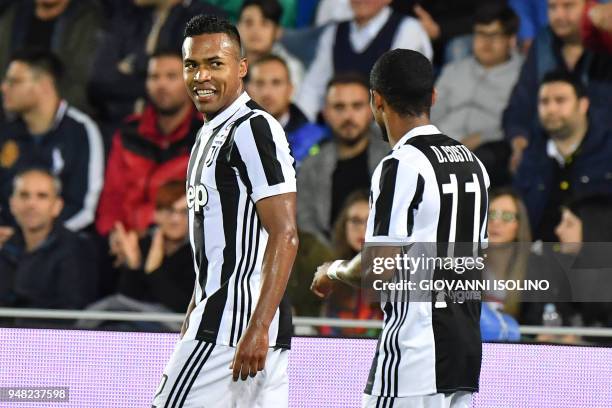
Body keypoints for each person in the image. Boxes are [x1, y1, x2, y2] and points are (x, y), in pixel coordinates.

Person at [311, 49, 489, 407]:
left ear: (377, 101)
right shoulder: (474, 164)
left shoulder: (401, 165)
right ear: (433, 97)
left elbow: (378, 266)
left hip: (416, 351)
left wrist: (333, 271)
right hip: (464, 349)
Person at [152, 15, 298, 407]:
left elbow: (285, 233)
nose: (201, 75)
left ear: (241, 68)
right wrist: (192, 312)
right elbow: (214, 248)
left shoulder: (252, 128)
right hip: (230, 322)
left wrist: (258, 327)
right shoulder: (206, 134)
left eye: (215, 63)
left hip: (234, 328)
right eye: (191, 65)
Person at [95, 49, 201, 237]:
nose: (161, 84)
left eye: (171, 77)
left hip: (179, 244)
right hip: (123, 241)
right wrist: (113, 235)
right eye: (154, 77)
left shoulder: (208, 135)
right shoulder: (129, 133)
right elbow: (111, 198)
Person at [0, 49, 104, 231]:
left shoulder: (80, 130)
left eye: (14, 81)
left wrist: (33, 239)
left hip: (62, 247)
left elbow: (84, 209)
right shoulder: (6, 132)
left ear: (45, 85)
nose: (4, 87)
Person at [502, 0, 612, 171]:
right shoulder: (542, 43)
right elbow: (520, 105)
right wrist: (519, 141)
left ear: (590, 7)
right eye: (553, 7)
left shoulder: (606, 43)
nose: (559, 15)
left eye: (568, 6)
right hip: (544, 151)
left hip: (600, 153)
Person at [78, 180, 194, 332]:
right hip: (131, 325)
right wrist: (133, 265)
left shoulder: (198, 253)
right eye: (168, 210)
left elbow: (183, 308)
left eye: (184, 212)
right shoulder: (142, 244)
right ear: (156, 215)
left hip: (171, 332)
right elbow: (127, 300)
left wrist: (153, 271)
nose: (175, 219)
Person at [89, 0, 224, 125]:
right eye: (154, 77)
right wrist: (157, 86)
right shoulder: (129, 17)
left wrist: (132, 70)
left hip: (182, 135)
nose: (158, 83)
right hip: (118, 129)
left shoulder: (206, 19)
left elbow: (193, 86)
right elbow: (99, 82)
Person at [513, 70, 612, 242]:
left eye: (560, 100)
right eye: (544, 102)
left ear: (583, 105)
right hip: (538, 258)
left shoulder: (607, 152)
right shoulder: (530, 158)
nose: (551, 109)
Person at [296, 0, 433, 121]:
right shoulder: (334, 32)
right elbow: (314, 88)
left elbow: (405, 94)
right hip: (340, 127)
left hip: (388, 132)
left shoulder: (409, 30)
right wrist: (299, 122)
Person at [297, 73, 388, 245]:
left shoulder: (395, 158)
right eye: (339, 107)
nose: (348, 116)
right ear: (325, 112)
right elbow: (306, 226)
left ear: (373, 110)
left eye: (357, 106)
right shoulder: (311, 168)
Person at [0, 169, 97, 311]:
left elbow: (72, 314)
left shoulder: (76, 252)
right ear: (12, 204)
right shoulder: (6, 248)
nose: (31, 204)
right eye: (24, 195)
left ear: (57, 206)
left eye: (42, 196)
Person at [432, 3, 522, 151]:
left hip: (486, 149)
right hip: (440, 146)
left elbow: (519, 124)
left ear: (511, 40)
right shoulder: (454, 70)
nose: (486, 42)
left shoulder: (522, 76)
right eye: (480, 34)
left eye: (494, 35)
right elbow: (432, 112)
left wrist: (483, 138)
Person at [0, 0, 103, 114]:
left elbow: (82, 83)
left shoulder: (86, 19)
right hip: (11, 115)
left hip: (62, 116)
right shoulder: (14, 15)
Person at [320, 189, 382, 337]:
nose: (362, 229)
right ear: (344, 225)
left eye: (369, 221)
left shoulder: (396, 271)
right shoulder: (329, 270)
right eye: (355, 220)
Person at [247, 54, 327, 165]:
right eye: (260, 83)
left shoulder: (316, 139)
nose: (267, 92)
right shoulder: (228, 137)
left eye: (276, 83)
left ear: (290, 89)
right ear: (248, 90)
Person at [484, 188, 532, 317]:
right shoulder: (465, 265)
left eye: (507, 216)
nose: (496, 222)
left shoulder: (534, 268)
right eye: (491, 215)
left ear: (519, 225)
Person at [237, 0, 304, 91]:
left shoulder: (291, 68)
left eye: (264, 23)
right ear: (238, 27)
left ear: (278, 32)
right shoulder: (227, 60)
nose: (255, 31)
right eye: (249, 22)